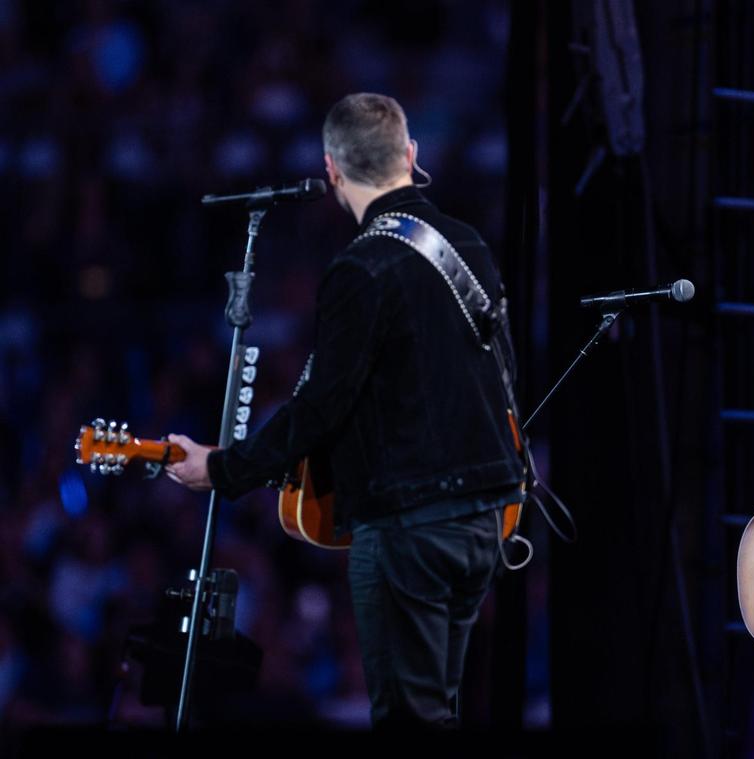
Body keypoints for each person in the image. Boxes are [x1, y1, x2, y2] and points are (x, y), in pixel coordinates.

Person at [164, 92, 525, 727]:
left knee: (410, 720)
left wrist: (222, 469)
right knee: (436, 713)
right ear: (410, 154)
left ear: (331, 169)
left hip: (411, 530)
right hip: (484, 522)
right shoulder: (468, 243)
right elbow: (501, 377)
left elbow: (319, 407)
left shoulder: (361, 268)